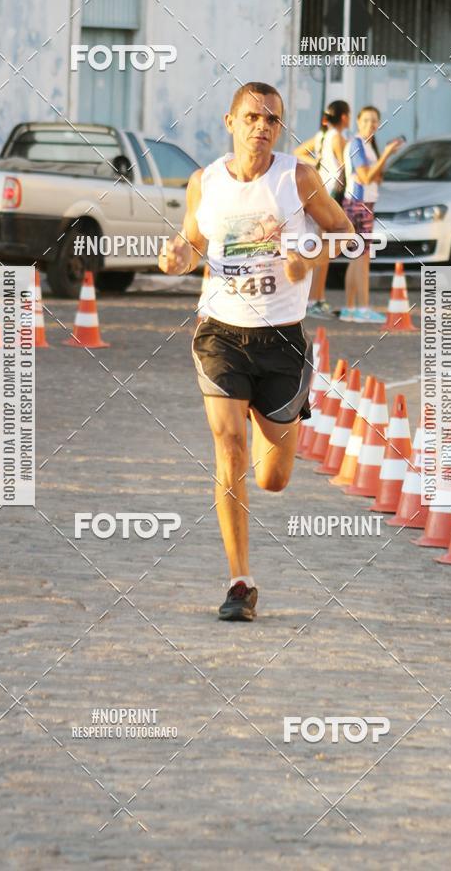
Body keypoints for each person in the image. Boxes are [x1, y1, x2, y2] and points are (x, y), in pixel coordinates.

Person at [158, 81, 355, 621]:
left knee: (272, 477)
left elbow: (347, 233)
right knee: (229, 448)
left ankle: (281, 425)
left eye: (271, 119)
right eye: (252, 117)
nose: (261, 127)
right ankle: (240, 581)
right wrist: (177, 256)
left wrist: (307, 257)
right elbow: (194, 242)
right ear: (230, 121)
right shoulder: (206, 182)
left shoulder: (298, 177)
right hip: (220, 331)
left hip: (282, 339)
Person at [340, 105, 403, 323]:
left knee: (356, 258)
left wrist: (382, 157)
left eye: (375, 120)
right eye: (366, 120)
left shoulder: (367, 146)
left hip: (359, 203)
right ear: (358, 122)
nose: (371, 124)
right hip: (360, 204)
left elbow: (376, 177)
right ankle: (363, 309)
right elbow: (367, 178)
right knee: (362, 258)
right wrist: (386, 154)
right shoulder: (357, 144)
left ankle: (349, 309)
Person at [294, 100, 350, 318]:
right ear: (344, 117)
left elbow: (298, 151)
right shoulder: (338, 138)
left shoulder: (321, 136)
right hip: (331, 194)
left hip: (318, 192)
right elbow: (346, 167)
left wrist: (317, 165)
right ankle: (315, 300)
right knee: (327, 248)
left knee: (318, 245)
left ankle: (313, 299)